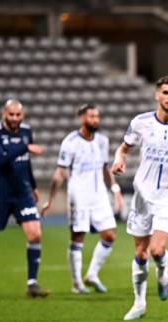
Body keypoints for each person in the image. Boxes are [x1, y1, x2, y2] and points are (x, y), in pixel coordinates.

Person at [111, 76, 168, 320]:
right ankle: (139, 303)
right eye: (165, 92)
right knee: (140, 253)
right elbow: (124, 148)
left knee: (157, 249)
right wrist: (120, 159)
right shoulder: (141, 122)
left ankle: (162, 272)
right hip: (143, 193)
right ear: (157, 95)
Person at [0, 99, 49, 300]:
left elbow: (26, 162)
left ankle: (32, 283)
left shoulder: (26, 131)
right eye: (11, 114)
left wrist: (33, 185)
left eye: (18, 115)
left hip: (22, 194)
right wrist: (25, 147)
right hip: (0, 194)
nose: (15, 118)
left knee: (35, 234)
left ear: (22, 116)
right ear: (4, 113)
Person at [41, 104, 123, 294]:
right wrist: (50, 200)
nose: (95, 120)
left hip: (99, 195)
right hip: (79, 196)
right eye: (92, 116)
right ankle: (77, 283)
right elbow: (60, 173)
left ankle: (92, 274)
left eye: (97, 116)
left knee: (110, 235)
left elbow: (105, 167)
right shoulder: (70, 142)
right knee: (78, 238)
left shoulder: (102, 140)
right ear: (82, 118)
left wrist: (115, 189)